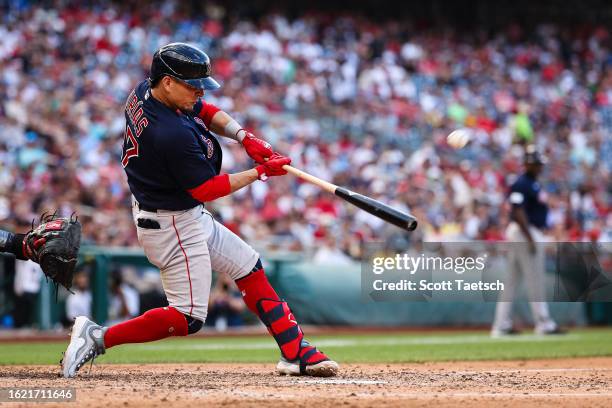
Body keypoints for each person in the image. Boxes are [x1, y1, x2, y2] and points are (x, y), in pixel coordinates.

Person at [62, 42, 338, 378]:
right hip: (172, 223)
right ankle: (99, 337)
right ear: (168, 82)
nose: (198, 93)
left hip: (179, 213)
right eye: (192, 86)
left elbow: (204, 111)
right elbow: (206, 189)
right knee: (188, 318)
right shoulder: (170, 134)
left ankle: (294, 350)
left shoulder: (148, 91)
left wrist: (244, 136)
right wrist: (260, 172)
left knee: (248, 265)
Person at [491, 146, 566, 337]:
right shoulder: (522, 183)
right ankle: (544, 323)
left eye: (540, 163)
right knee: (535, 279)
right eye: (536, 163)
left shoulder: (533, 183)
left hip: (526, 232)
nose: (540, 166)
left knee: (512, 281)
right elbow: (517, 210)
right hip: (525, 233)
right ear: (527, 164)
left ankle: (501, 325)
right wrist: (530, 237)